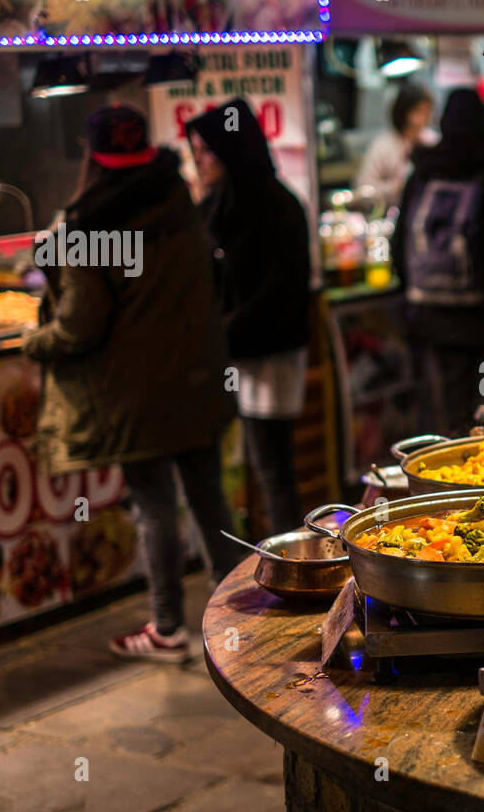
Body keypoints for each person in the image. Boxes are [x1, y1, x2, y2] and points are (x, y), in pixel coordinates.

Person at [23, 105, 240, 664]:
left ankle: (168, 628)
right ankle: (241, 622)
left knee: (154, 505)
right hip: (195, 380)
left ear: (92, 158)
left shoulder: (87, 227)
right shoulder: (179, 202)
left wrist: (32, 339)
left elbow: (79, 325)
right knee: (208, 496)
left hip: (137, 396)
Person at [186, 98, 311, 535]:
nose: (199, 160)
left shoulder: (279, 207)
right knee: (234, 470)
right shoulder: (213, 208)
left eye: (206, 151)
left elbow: (279, 291)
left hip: (269, 354)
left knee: (273, 471)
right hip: (227, 356)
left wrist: (223, 333)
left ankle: (293, 567)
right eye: (195, 150)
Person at [392, 88, 484, 436]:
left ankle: (450, 483)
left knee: (448, 423)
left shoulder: (421, 175)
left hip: (434, 321)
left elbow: (400, 247)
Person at [354, 83, 436, 208]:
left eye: (427, 111)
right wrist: (395, 188)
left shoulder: (432, 141)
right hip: (389, 213)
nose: (425, 118)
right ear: (404, 112)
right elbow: (363, 189)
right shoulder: (383, 145)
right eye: (420, 112)